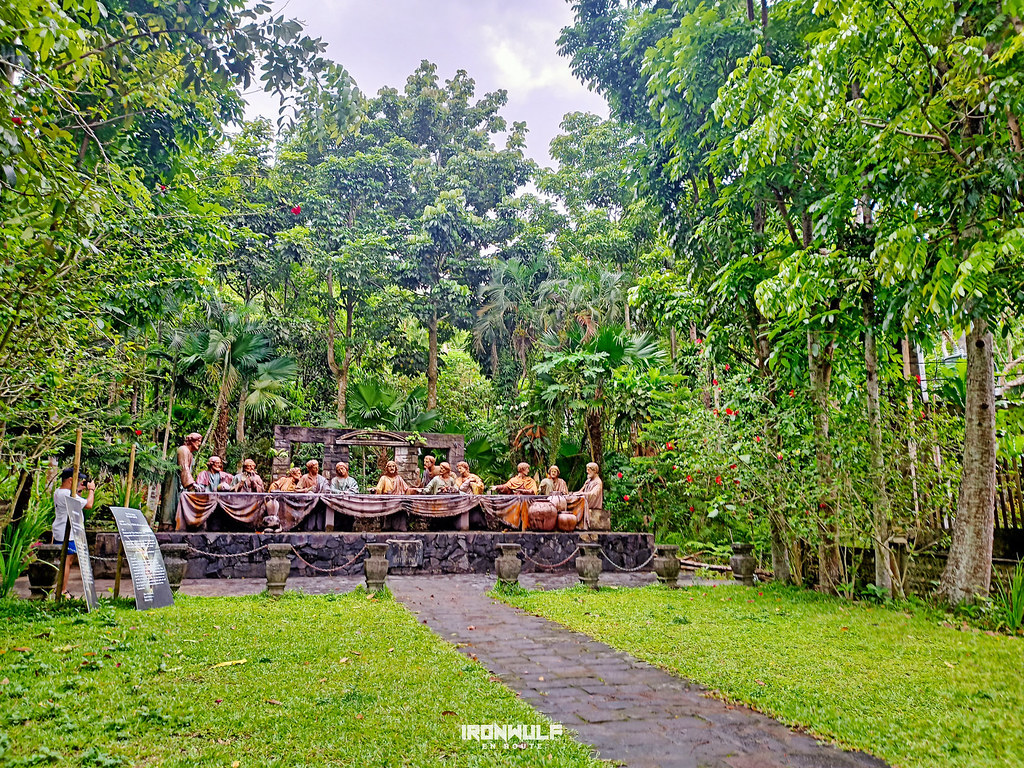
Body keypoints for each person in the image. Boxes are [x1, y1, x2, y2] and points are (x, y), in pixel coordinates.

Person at [52, 467, 96, 597]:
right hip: (67, 533)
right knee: (66, 562)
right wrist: (91, 490)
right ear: (71, 480)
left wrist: (78, 490)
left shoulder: (59, 491)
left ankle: (60, 589)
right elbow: (88, 505)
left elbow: (76, 502)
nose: (79, 482)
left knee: (64, 561)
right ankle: (62, 591)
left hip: (60, 530)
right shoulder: (67, 494)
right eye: (78, 480)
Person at [579, 462, 607, 530]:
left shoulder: (598, 482)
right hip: (585, 501)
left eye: (589, 470)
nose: (587, 471)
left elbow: (593, 494)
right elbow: (581, 491)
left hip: (592, 505)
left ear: (594, 470)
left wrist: (582, 494)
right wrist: (572, 494)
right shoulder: (588, 481)